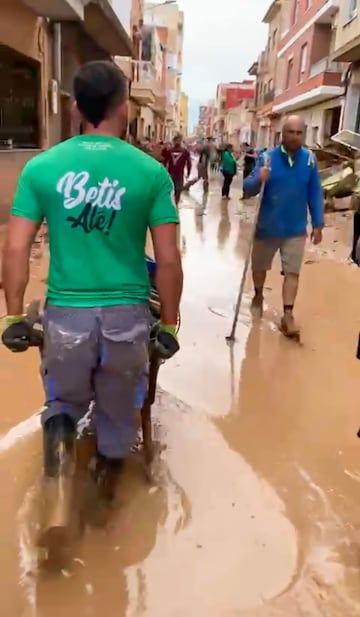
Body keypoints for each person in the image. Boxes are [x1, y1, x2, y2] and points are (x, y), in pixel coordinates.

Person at [1, 60, 183, 503]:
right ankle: (104, 487)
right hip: (127, 317)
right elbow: (169, 261)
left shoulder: (42, 169)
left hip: (66, 319)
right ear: (123, 107)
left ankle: (58, 486)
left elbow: (15, 249)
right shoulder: (150, 173)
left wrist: (11, 316)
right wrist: (170, 326)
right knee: (119, 407)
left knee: (62, 402)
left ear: (77, 108)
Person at [243, 115, 324, 338]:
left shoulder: (309, 160)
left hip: (295, 229)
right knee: (259, 268)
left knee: (292, 272)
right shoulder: (267, 158)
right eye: (291, 132)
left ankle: (288, 314)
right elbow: (248, 188)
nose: (295, 137)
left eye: (299, 133)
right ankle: (258, 293)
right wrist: (259, 178)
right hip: (267, 227)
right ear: (282, 134)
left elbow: (315, 192)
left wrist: (318, 223)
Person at [162, 133, 191, 205]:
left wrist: (164, 171)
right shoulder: (184, 151)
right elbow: (189, 163)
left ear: (174, 141)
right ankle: (176, 205)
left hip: (171, 173)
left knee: (171, 190)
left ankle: (171, 205)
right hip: (179, 174)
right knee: (178, 191)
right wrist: (188, 173)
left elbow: (165, 160)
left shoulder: (170, 151)